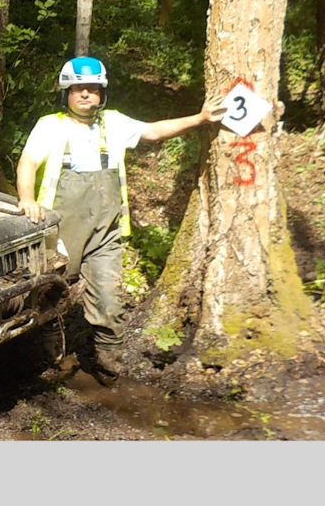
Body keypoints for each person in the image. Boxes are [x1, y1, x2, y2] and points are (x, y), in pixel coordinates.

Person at [16, 56, 225, 384]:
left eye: (93, 88)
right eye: (79, 89)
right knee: (51, 296)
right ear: (66, 92)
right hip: (59, 232)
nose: (86, 94)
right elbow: (27, 163)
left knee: (110, 301)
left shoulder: (113, 123)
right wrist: (27, 199)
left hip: (105, 234)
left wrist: (199, 119)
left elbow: (153, 131)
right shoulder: (50, 126)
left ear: (102, 93)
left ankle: (108, 365)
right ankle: (51, 360)